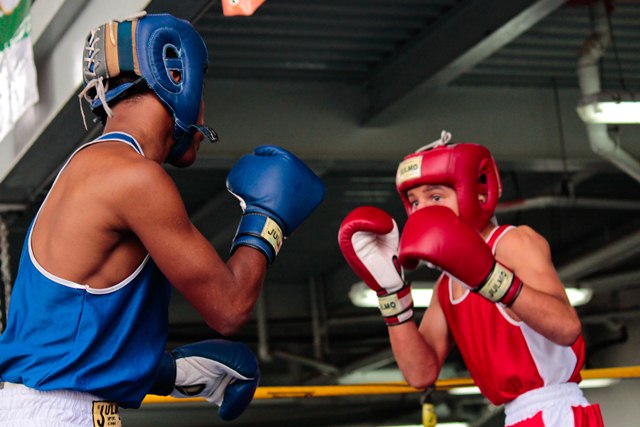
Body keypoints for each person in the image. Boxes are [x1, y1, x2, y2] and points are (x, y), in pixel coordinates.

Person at [0, 12, 325, 427]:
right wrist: (267, 221)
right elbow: (229, 307)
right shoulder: (132, 176)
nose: (204, 109)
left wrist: (172, 373)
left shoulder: (88, 167)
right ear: (178, 79)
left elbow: (58, 333)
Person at [338, 131, 604, 426]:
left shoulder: (513, 242)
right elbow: (420, 373)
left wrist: (489, 278)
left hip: (557, 409)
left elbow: (567, 327)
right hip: (516, 415)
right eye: (414, 202)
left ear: (477, 194)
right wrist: (390, 295)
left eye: (436, 196)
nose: (423, 210)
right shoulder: (446, 285)